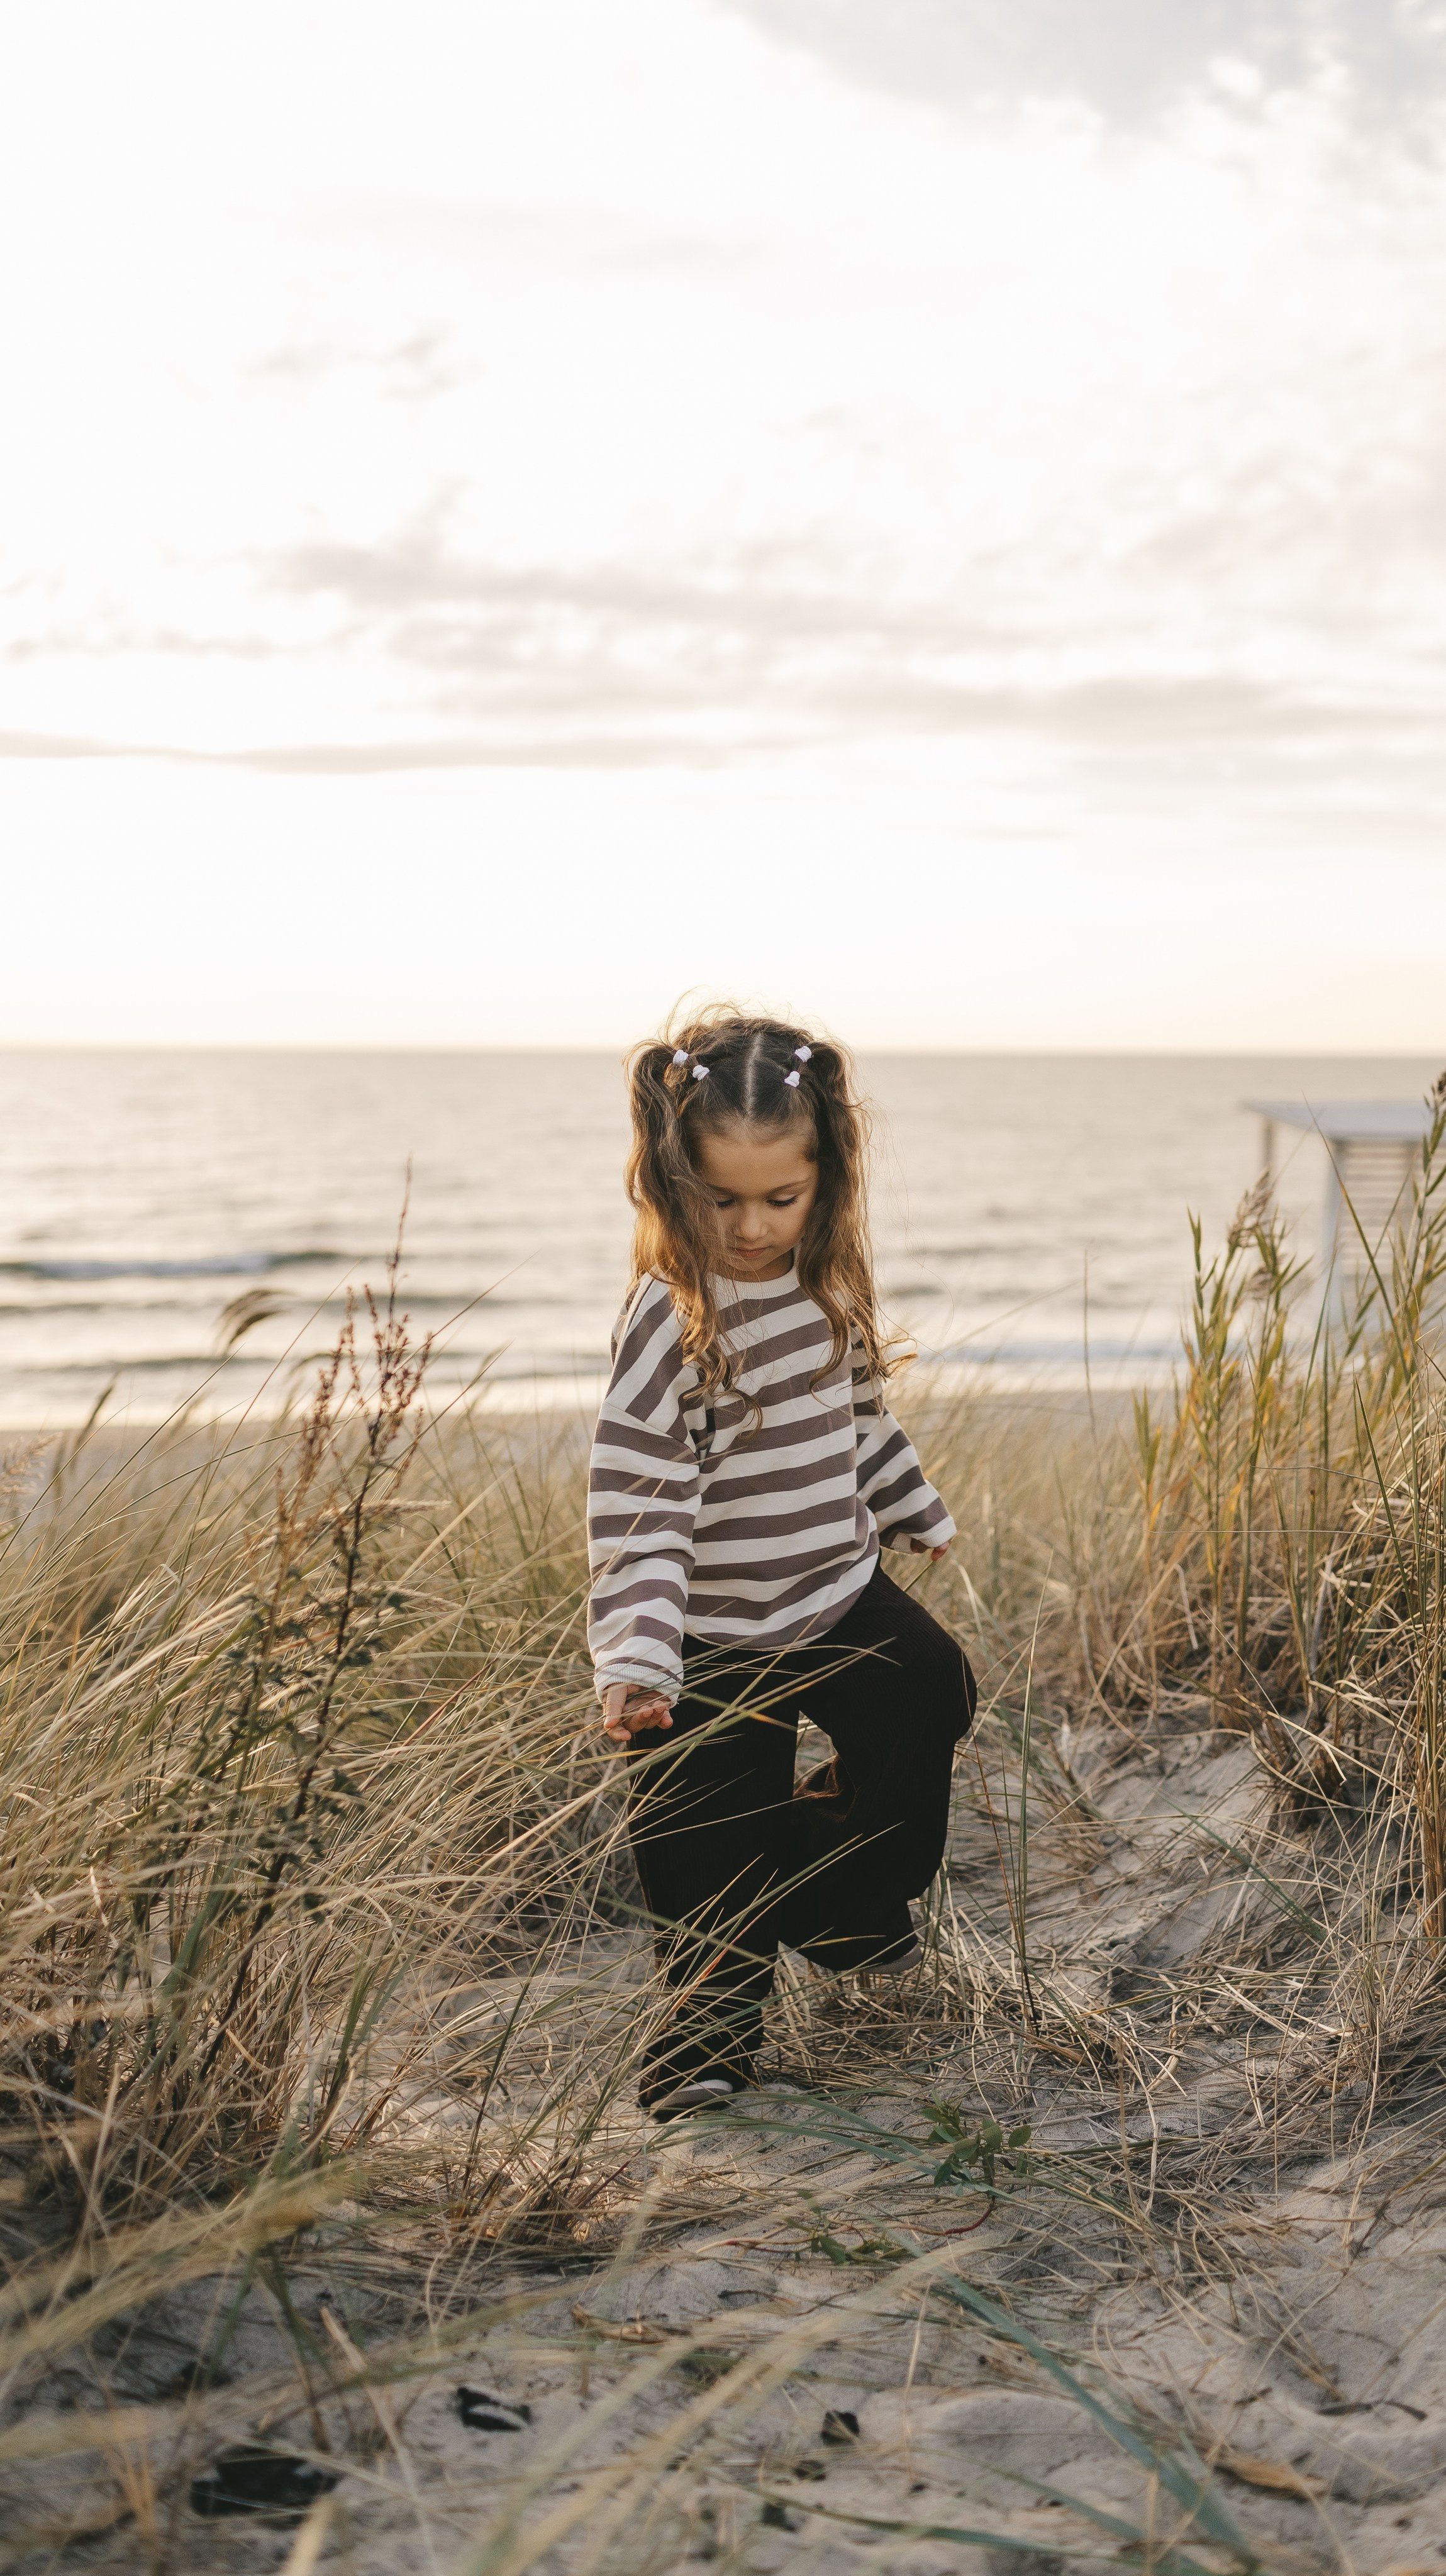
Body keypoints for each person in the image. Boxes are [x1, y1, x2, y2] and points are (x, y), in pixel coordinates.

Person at [587, 1011, 976, 2118]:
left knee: (933, 1696)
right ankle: (705, 2050)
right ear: (672, 1181)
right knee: (703, 1849)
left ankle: (839, 1903)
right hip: (706, 1643)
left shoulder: (826, 1288)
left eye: (780, 1198)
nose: (751, 1226)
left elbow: (859, 1420)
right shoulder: (674, 1321)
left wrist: (911, 1506)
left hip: (838, 1598)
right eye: (721, 1199)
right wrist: (639, 1658)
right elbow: (638, 1506)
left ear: (826, 1179)